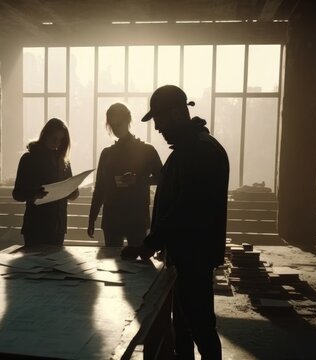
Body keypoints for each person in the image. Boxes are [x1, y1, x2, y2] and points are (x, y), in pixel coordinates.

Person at [121, 85, 229, 360]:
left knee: (200, 326)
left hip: (193, 256)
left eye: (158, 119)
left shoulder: (199, 153)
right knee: (184, 327)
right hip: (185, 255)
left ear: (176, 113)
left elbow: (186, 209)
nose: (157, 127)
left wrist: (150, 243)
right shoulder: (190, 149)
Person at [87, 102, 162, 247]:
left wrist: (138, 180)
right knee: (128, 263)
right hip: (118, 217)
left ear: (128, 121)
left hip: (134, 217)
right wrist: (91, 219)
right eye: (112, 125)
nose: (115, 129)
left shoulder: (145, 150)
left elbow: (162, 177)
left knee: (125, 260)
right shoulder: (108, 153)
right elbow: (100, 188)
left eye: (118, 124)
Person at [12, 118, 79, 247]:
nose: (57, 143)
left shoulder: (63, 161)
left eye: (60, 140)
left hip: (58, 226)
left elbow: (71, 190)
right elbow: (17, 193)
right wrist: (33, 195)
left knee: (54, 265)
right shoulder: (29, 159)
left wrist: (73, 192)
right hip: (37, 225)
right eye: (54, 138)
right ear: (45, 135)